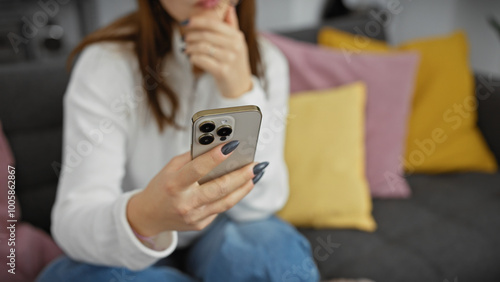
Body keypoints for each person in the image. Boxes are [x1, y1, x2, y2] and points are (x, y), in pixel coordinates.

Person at [37, 0, 320, 281]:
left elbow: (262, 204)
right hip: (131, 243)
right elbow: (72, 223)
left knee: (271, 250)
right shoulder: (106, 62)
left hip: (220, 231)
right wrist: (145, 216)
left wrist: (240, 92)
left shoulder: (268, 60)